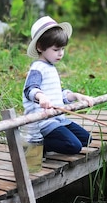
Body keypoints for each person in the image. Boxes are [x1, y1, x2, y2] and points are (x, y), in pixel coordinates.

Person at [22, 16, 95, 155]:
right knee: (74, 146)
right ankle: (36, 145)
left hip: (58, 118)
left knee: (87, 139)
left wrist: (76, 96)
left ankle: (50, 141)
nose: (61, 53)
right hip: (43, 121)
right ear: (40, 47)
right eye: (56, 49)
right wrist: (41, 96)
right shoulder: (38, 67)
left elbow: (58, 93)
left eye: (62, 49)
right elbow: (30, 89)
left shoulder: (50, 67)